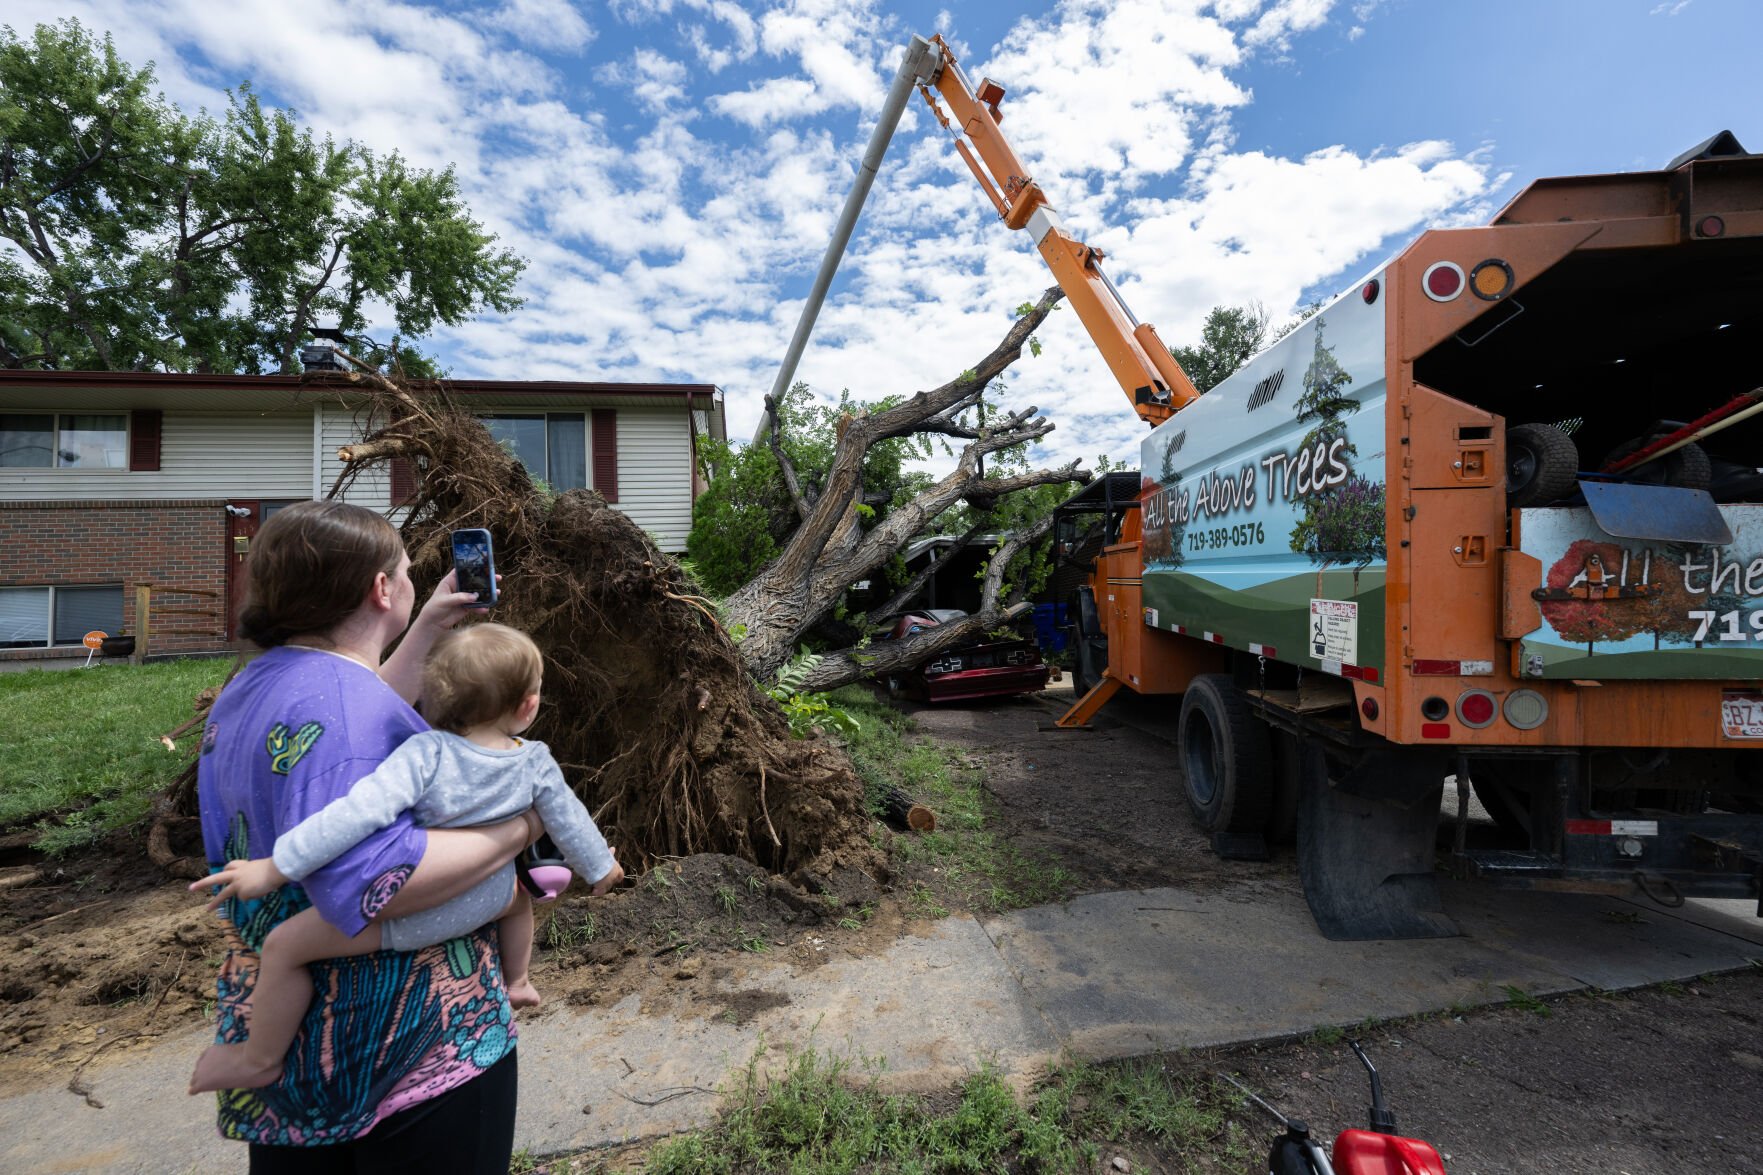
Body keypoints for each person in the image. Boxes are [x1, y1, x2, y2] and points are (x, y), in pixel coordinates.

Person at [191, 499, 542, 1171]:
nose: (412, 581)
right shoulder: (344, 714)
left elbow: (343, 732)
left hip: (295, 1053)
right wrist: (517, 828)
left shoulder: (257, 688)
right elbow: (380, 880)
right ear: (381, 589)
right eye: (406, 571)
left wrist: (429, 623)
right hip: (406, 1056)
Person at [189, 622, 624, 1094]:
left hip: (421, 909)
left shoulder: (425, 754)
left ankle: (259, 1059)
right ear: (528, 705)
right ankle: (517, 980)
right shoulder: (535, 760)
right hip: (493, 894)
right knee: (519, 899)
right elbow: (572, 821)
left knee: (284, 947)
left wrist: (274, 868)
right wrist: (602, 869)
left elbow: (357, 814)